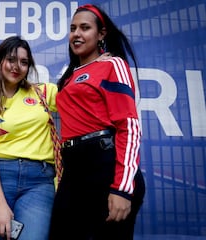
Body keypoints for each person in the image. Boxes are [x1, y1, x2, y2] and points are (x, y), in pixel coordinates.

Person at [48, 4, 145, 240]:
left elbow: (129, 126)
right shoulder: (70, 76)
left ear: (101, 34)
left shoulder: (113, 65)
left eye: (84, 28)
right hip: (73, 170)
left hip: (104, 166)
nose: (76, 34)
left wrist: (122, 189)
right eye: (72, 29)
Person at [0, 35, 58, 240]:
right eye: (11, 59)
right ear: (0, 61)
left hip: (39, 181)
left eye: (24, 62)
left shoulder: (44, 92)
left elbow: (79, 99)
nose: (17, 66)